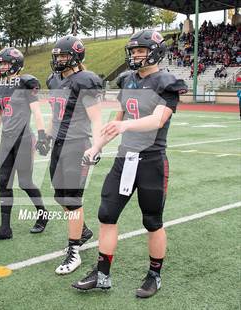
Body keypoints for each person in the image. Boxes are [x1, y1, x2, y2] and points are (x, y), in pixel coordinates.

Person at [72, 30, 187, 298]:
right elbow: (116, 120)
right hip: (125, 159)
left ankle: (154, 275)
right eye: (133, 50)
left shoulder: (167, 83)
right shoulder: (128, 80)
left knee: (152, 221)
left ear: (156, 51)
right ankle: (102, 275)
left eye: (141, 50)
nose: (136, 55)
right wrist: (96, 146)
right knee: (106, 215)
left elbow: (158, 120)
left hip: (152, 161)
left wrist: (124, 125)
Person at [46, 36, 104, 274]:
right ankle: (83, 231)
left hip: (78, 143)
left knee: (72, 198)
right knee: (60, 196)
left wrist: (97, 146)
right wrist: (45, 137)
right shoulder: (53, 80)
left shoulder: (85, 81)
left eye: (64, 55)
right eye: (57, 56)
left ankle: (74, 252)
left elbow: (97, 119)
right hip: (59, 144)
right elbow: (54, 115)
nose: (59, 60)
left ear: (77, 56)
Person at [0, 47, 50, 241]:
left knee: (25, 182)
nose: (2, 67)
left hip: (23, 139)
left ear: (16, 65)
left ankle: (42, 214)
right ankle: (5, 229)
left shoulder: (25, 83)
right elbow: (0, 113)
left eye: (6, 63)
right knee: (3, 182)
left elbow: (37, 112)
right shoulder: (0, 85)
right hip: (7, 139)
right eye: (1, 63)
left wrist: (42, 135)